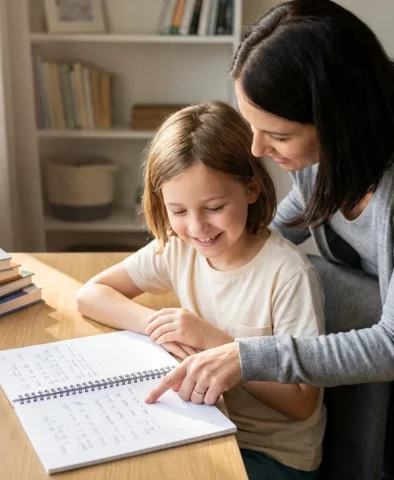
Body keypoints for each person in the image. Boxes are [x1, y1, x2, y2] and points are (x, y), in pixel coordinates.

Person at [145, 2, 394, 479]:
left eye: (276, 134)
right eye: (252, 126)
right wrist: (216, 244)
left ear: (338, 119)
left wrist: (245, 355)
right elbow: (284, 221)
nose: (257, 150)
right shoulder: (328, 149)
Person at [76, 101, 328, 479]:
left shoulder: (288, 276)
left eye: (213, 207)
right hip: (204, 427)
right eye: (178, 211)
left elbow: (302, 403)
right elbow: (91, 295)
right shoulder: (180, 249)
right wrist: (157, 324)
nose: (197, 227)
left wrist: (219, 345)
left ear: (251, 189)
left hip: (273, 455)